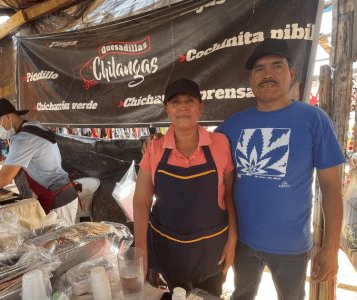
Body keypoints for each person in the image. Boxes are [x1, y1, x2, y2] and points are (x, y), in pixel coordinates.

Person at [216, 38, 345, 300]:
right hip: (242, 242)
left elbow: (331, 188)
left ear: (292, 74)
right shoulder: (232, 125)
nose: (267, 74)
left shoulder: (313, 119)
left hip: (292, 248)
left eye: (277, 66)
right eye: (259, 69)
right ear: (251, 79)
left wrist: (331, 248)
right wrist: (158, 142)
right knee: (241, 295)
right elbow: (198, 150)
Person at [133, 78, 237, 296]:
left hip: (212, 251)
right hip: (170, 251)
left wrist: (232, 240)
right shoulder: (155, 147)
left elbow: (229, 195)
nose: (183, 106)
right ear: (167, 109)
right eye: (175, 101)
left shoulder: (220, 143)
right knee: (177, 294)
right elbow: (141, 202)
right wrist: (140, 253)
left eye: (190, 100)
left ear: (200, 106)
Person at [0, 98, 78, 225]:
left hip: (58, 198)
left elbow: (3, 179)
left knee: (61, 243)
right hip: (63, 193)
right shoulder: (34, 126)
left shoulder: (23, 139)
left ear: (7, 117)